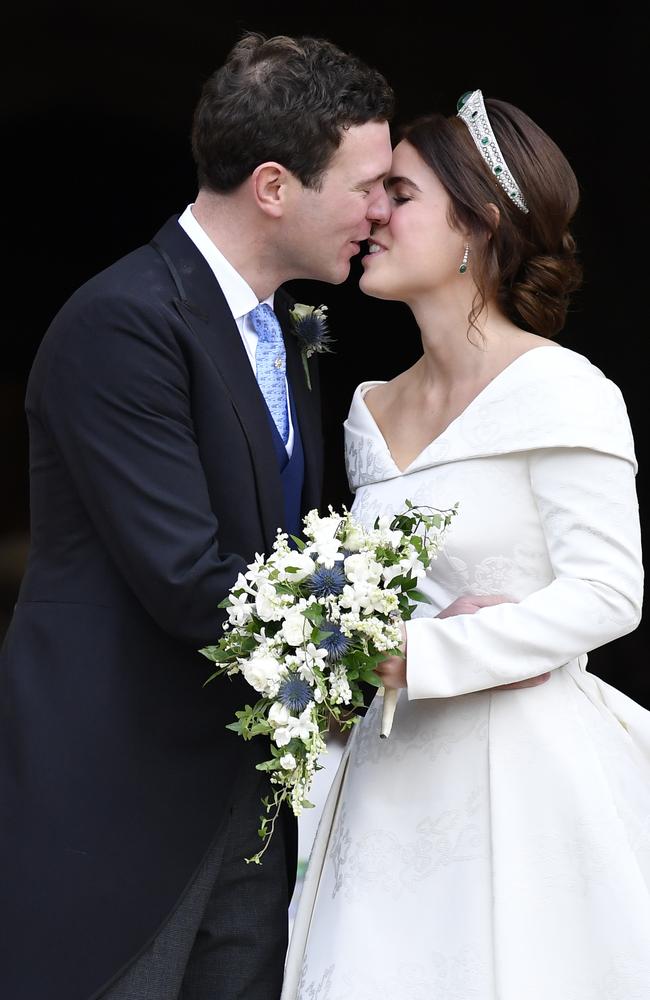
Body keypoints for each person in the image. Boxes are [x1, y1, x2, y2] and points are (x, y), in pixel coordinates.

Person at [0, 33, 396, 1000]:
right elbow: (188, 578)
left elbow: (288, 544)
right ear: (273, 186)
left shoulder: (284, 329)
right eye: (368, 184)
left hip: (249, 799)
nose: (383, 210)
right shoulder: (123, 321)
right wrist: (396, 649)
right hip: (119, 810)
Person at [282, 91, 649, 999]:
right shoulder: (368, 407)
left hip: (520, 781)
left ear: (475, 226)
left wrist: (426, 652)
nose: (373, 213)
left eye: (399, 194)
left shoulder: (565, 390)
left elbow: (609, 591)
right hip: (380, 784)